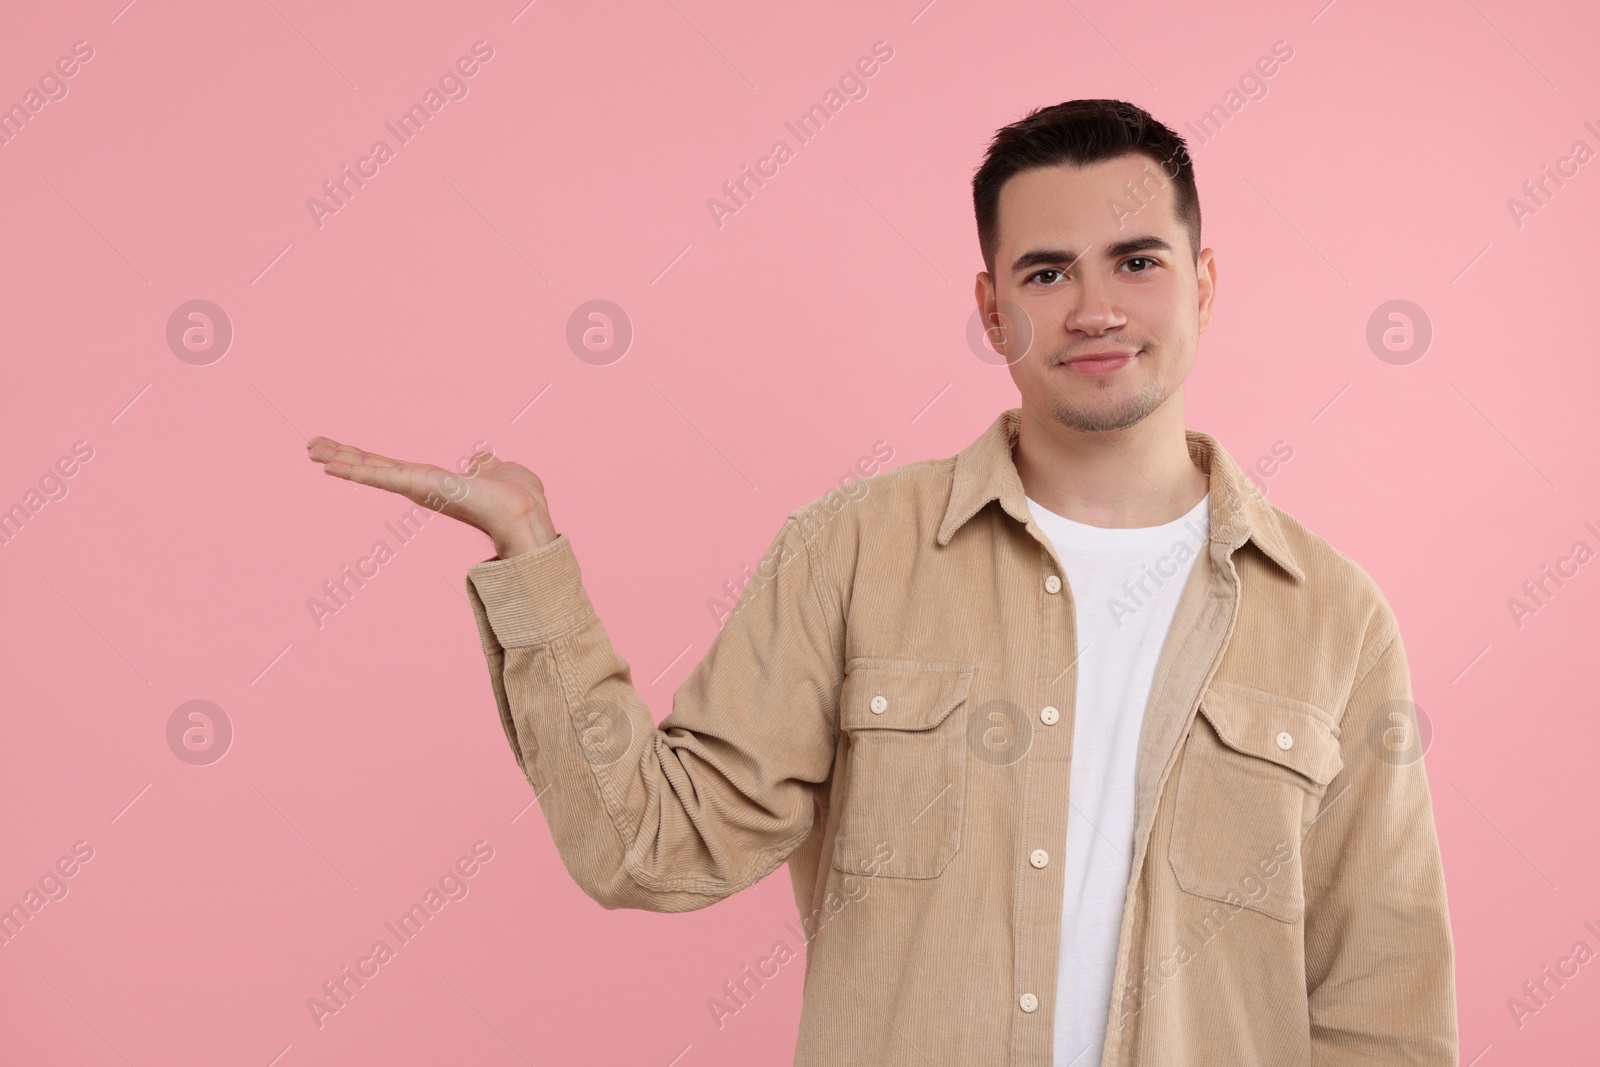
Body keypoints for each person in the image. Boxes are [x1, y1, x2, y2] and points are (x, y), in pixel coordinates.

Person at [306, 99, 1457, 1066]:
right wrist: (531, 558)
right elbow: (652, 844)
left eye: (1137, 261)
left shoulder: (1334, 617)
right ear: (992, 307)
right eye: (1047, 270)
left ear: (1203, 283)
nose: (1096, 307)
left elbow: (1380, 996)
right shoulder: (850, 551)